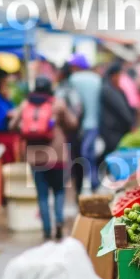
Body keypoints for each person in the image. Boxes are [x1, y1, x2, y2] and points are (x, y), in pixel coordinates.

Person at [11, 77, 78, 240]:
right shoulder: (58, 104)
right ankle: (59, 223)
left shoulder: (25, 105)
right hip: (57, 157)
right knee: (59, 191)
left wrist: (27, 129)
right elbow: (73, 123)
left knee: (42, 195)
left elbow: (12, 126)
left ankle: (47, 230)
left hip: (35, 157)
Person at [68, 54, 102, 192]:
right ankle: (94, 183)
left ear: (76, 66)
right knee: (90, 154)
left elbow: (73, 102)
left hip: (79, 125)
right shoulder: (97, 79)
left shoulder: (73, 79)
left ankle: (83, 186)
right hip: (95, 123)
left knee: (80, 156)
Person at [55, 62, 84, 197]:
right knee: (76, 162)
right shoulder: (74, 89)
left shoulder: (60, 90)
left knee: (67, 164)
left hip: (64, 132)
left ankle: (67, 192)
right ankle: (77, 191)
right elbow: (79, 109)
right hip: (74, 131)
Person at [100, 63, 137, 160]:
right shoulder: (109, 89)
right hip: (113, 131)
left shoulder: (112, 88)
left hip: (115, 130)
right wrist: (131, 123)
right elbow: (122, 108)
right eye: (119, 75)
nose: (119, 78)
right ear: (113, 75)